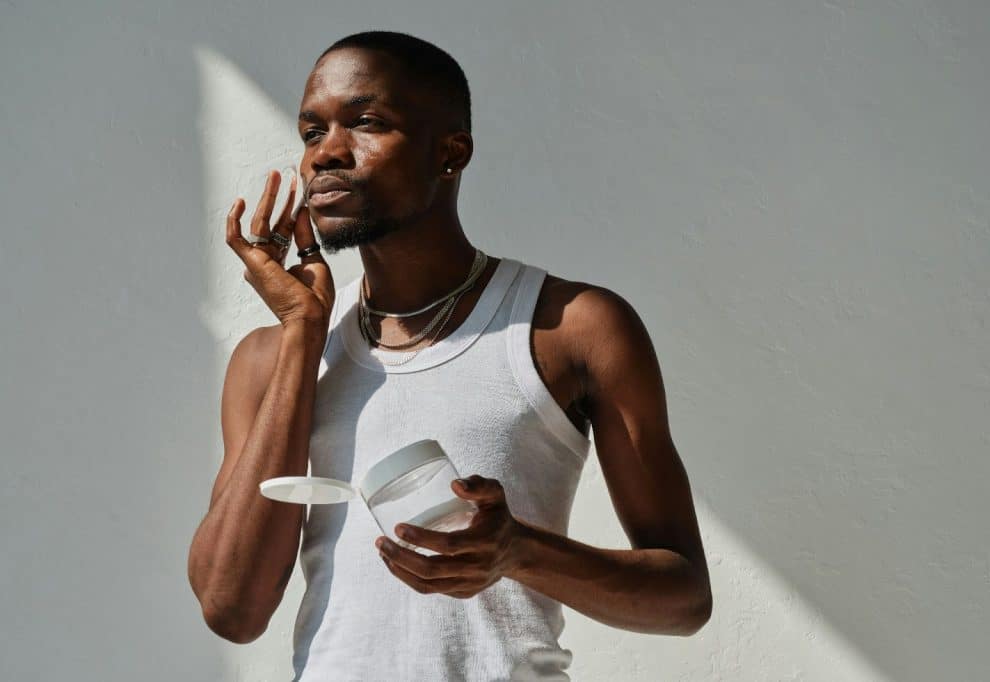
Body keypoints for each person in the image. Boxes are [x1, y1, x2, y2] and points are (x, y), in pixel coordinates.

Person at [188, 30, 712, 681]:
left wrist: (518, 551)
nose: (325, 154)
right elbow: (231, 609)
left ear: (450, 152)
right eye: (311, 131)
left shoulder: (572, 328)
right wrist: (302, 332)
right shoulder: (271, 357)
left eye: (366, 123)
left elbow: (683, 599)